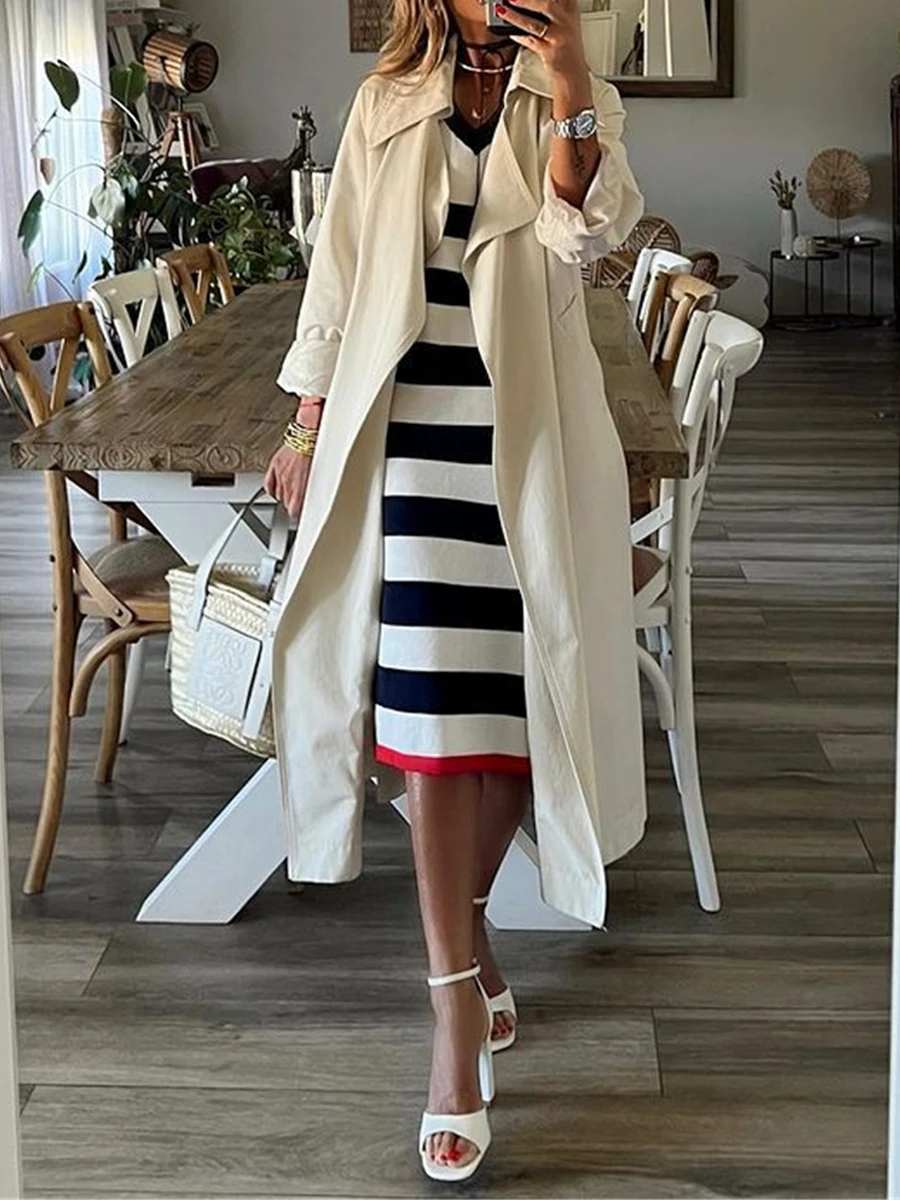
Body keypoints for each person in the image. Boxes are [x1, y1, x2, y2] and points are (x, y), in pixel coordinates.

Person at [266, 0, 646, 1181]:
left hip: (533, 442)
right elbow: (337, 271)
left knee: (517, 720)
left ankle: (469, 947)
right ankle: (451, 1017)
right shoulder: (384, 104)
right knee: (431, 729)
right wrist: (306, 421)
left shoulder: (573, 95)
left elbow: (592, 236)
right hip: (412, 447)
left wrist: (569, 79)